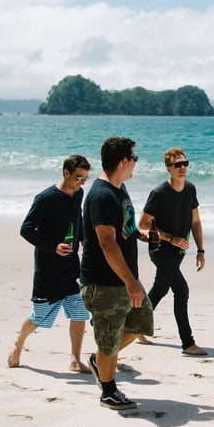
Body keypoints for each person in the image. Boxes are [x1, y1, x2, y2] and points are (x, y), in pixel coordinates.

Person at [79, 137, 154, 410]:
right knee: (109, 340)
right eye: (134, 158)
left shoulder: (118, 189)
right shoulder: (101, 195)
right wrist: (131, 282)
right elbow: (106, 243)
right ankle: (108, 391)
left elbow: (122, 228)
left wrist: (138, 234)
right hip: (105, 283)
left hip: (122, 280)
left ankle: (100, 362)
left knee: (140, 322)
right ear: (124, 161)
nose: (135, 163)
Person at [8, 154, 93, 373]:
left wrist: (82, 237)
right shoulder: (46, 198)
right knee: (39, 316)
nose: (82, 183)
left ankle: (75, 358)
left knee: (80, 311)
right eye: (78, 178)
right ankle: (18, 343)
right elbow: (26, 230)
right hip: (48, 268)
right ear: (66, 172)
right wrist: (53, 246)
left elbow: (78, 217)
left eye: (85, 179)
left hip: (71, 266)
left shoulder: (79, 193)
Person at [136, 147, 207, 356]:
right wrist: (171, 238)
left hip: (178, 252)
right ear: (168, 168)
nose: (182, 167)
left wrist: (201, 250)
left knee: (159, 289)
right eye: (177, 164)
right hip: (160, 250)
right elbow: (143, 223)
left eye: (185, 163)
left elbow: (195, 221)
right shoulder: (159, 193)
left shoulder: (190, 189)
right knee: (181, 291)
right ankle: (187, 343)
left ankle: (136, 327)